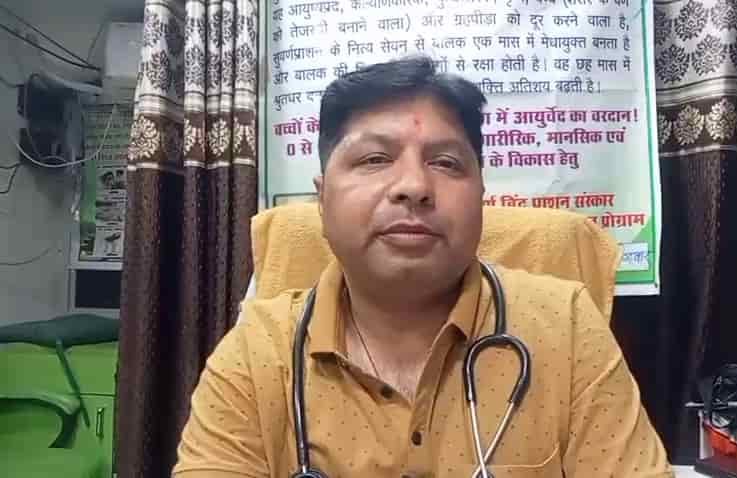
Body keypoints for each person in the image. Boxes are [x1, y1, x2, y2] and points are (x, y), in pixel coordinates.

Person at [174, 57, 672, 478]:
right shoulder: (257, 353)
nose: (414, 186)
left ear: (481, 196)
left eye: (446, 163)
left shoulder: (567, 327)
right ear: (322, 200)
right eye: (374, 159)